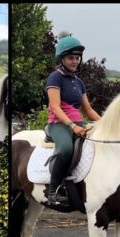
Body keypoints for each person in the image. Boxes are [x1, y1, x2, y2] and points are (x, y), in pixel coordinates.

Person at [45, 34, 101, 207]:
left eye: (77, 58)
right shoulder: (55, 78)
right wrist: (72, 126)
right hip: (58, 123)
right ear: (62, 59)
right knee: (66, 149)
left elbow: (88, 109)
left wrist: (106, 123)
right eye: (71, 58)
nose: (75, 61)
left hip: (78, 122)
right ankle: (53, 192)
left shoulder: (79, 82)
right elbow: (55, 107)